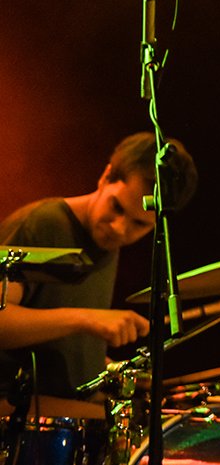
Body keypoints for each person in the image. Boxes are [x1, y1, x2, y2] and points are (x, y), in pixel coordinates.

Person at [0, 131, 198, 401]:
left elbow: (59, 347)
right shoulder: (44, 224)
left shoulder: (105, 241)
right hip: (22, 413)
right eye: (117, 207)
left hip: (70, 411)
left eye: (139, 224)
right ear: (106, 177)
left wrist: (106, 367)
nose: (119, 228)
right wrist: (87, 319)